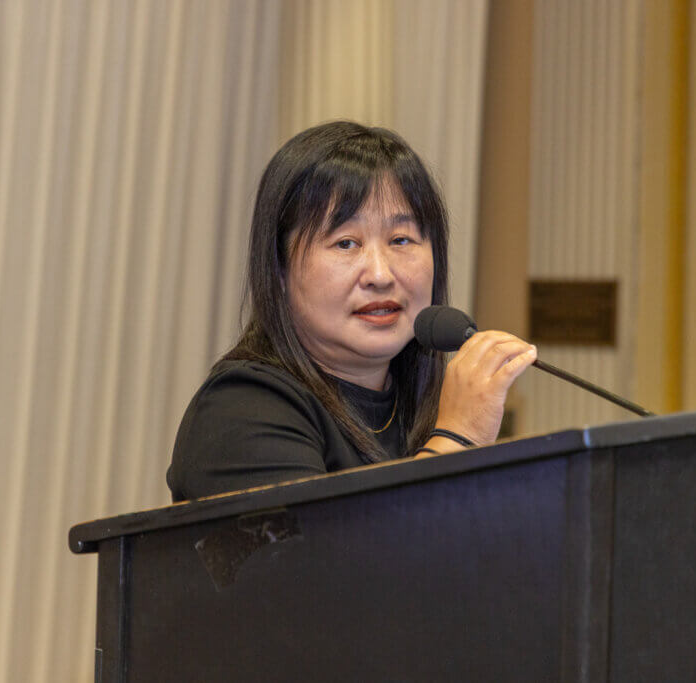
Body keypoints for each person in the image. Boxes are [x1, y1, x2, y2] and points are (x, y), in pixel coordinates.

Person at [167, 121, 536, 501]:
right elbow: (346, 558)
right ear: (278, 267)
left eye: (401, 239)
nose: (380, 274)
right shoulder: (241, 411)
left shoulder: (425, 402)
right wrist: (459, 437)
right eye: (346, 243)